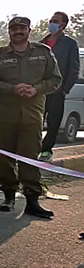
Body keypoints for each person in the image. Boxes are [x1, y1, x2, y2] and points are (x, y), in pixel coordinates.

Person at [0, 17, 62, 219]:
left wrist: (36, 89)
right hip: (4, 115)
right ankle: (9, 195)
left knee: (30, 157)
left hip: (32, 115)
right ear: (9, 32)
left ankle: (32, 201)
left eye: (22, 28)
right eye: (14, 28)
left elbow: (56, 79)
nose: (18, 31)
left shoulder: (43, 53)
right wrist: (11, 89)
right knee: (4, 157)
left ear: (29, 30)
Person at [39, 12, 81, 161]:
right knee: (35, 121)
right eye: (51, 20)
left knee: (53, 123)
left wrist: (65, 89)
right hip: (39, 90)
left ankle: (46, 150)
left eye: (55, 21)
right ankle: (32, 149)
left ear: (63, 25)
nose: (52, 23)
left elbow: (74, 68)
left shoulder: (70, 44)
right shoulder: (40, 43)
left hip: (57, 90)